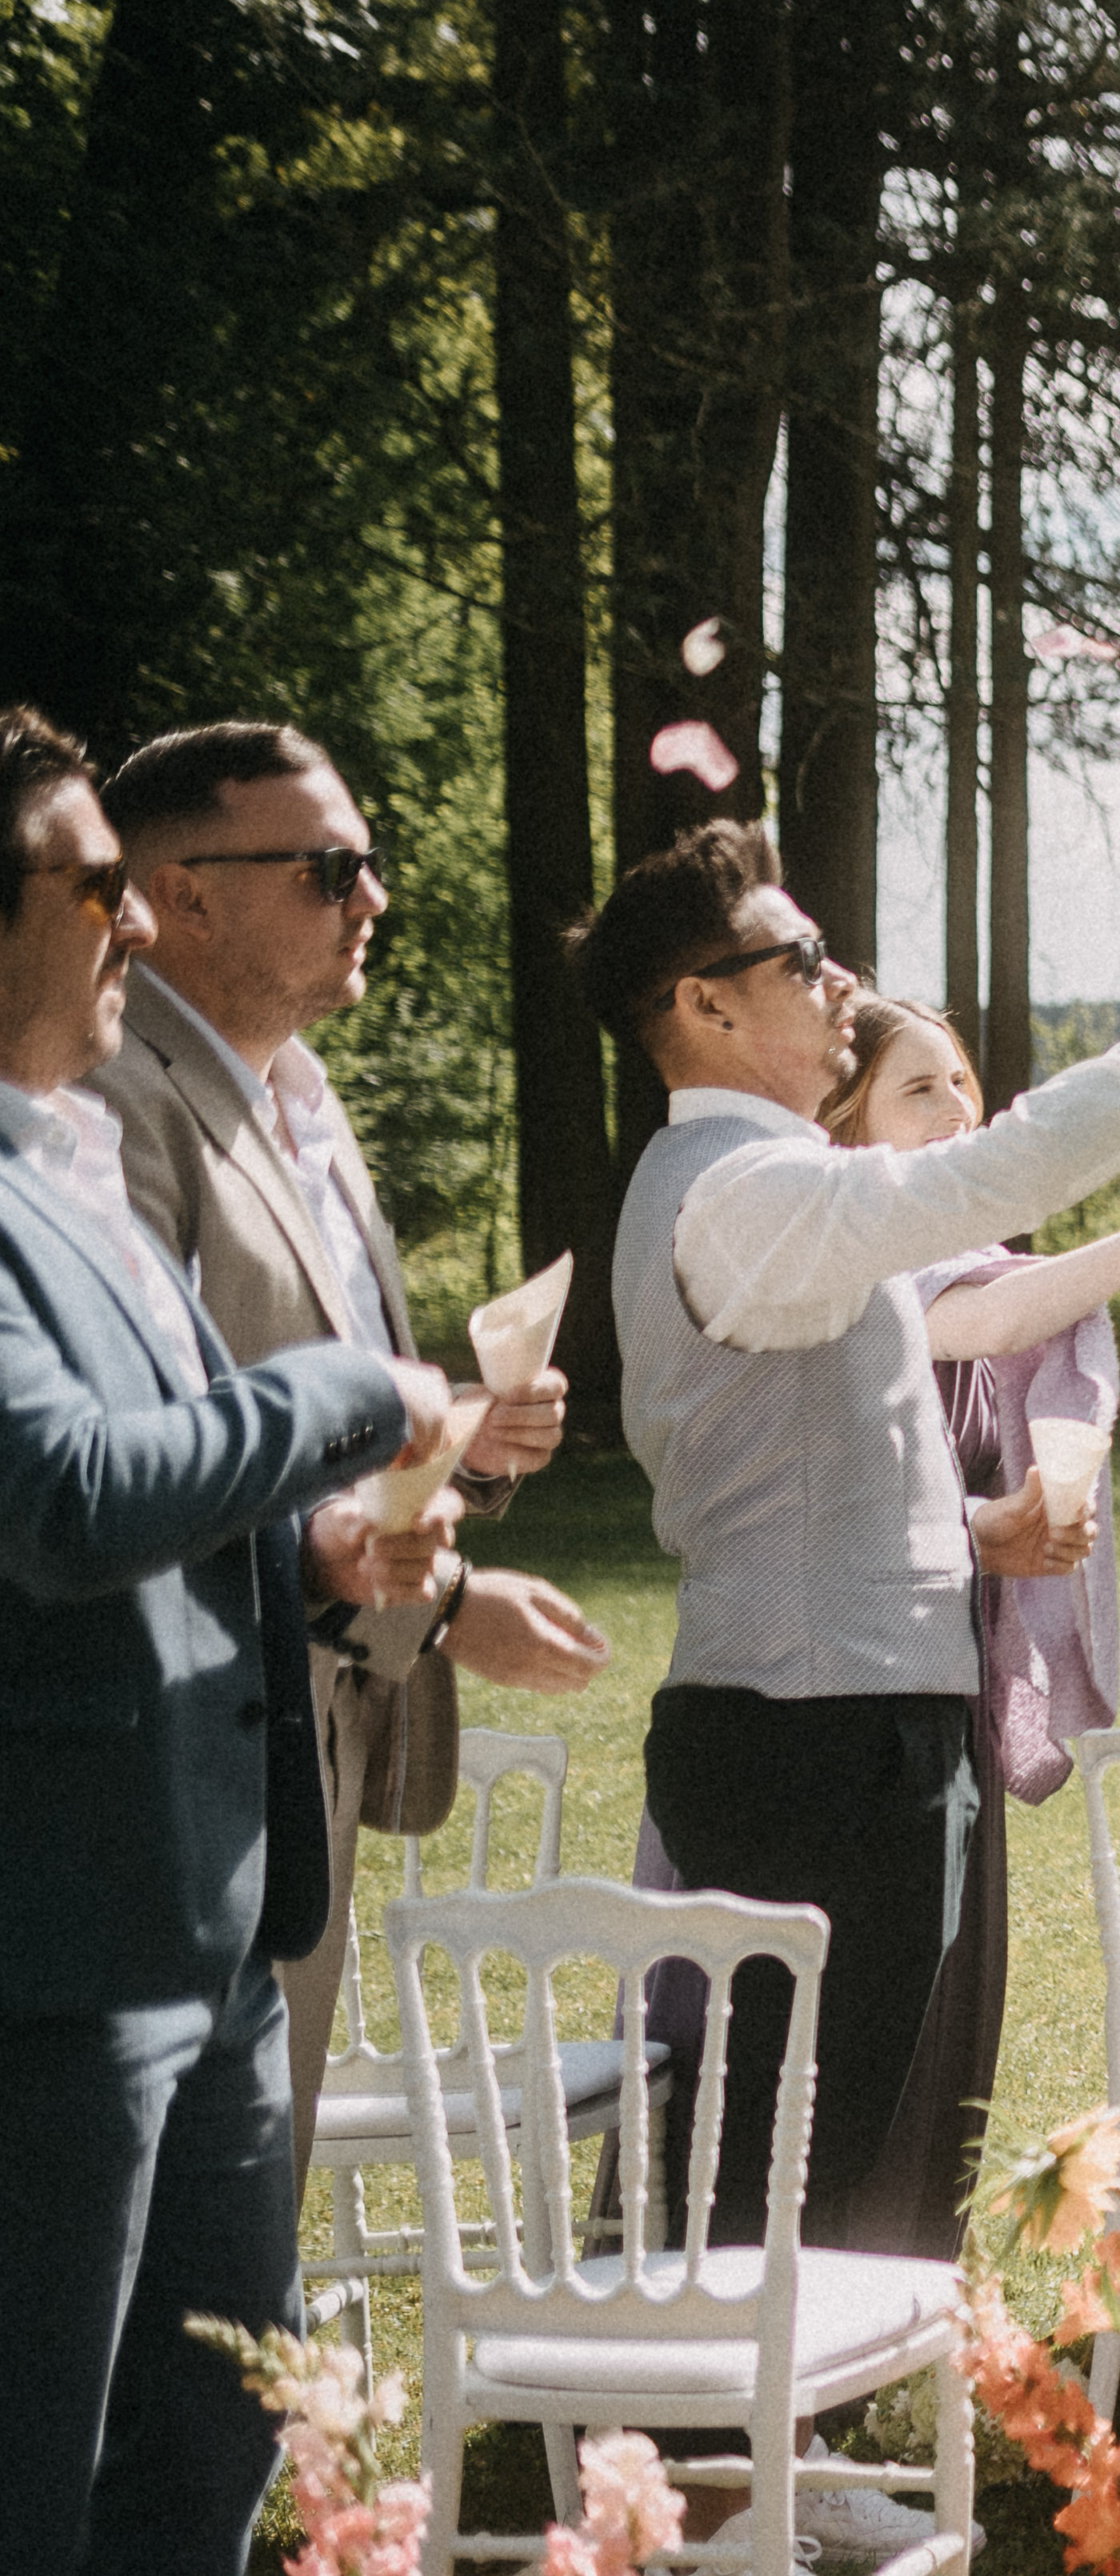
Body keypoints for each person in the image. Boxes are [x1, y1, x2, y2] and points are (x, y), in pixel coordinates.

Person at [577, 816, 1120, 2576]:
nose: (836, 984)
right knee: (767, 2130)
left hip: (873, 1708)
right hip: (790, 1725)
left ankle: (773, 2449)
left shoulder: (778, 1174)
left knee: (855, 2112)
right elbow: (995, 1174)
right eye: (799, 965)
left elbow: (988, 1285)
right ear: (699, 1007)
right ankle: (694, 2523)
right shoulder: (733, 1188)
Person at [0, 705, 456, 2576]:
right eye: (93, 880)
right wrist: (339, 1398)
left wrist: (350, 1554)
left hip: (214, 1904)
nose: (126, 920)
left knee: (200, 2457)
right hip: (59, 1937)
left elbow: (205, 1502)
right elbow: (64, 1487)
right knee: (30, 2499)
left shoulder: (76, 1153)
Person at [90, 723, 613, 2156]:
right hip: (187, 1755)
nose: (371, 896)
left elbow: (303, 1396)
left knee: (247, 2205)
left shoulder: (300, 1104)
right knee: (184, 2228)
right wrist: (441, 1603)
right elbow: (151, 1437)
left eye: (368, 867)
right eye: (329, 869)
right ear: (183, 895)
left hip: (308, 1738)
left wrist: (460, 1443)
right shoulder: (124, 1103)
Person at [810, 995, 1120, 2239]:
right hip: (842, 1689)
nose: (960, 1112)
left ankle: (898, 2307)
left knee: (952, 2012)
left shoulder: (971, 1258)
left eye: (965, 1085)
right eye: (920, 1088)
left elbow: (1015, 1321)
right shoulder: (853, 1257)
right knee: (856, 2025)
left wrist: (1034, 1516)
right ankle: (795, 2332)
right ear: (847, 1118)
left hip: (946, 1680)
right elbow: (983, 1318)